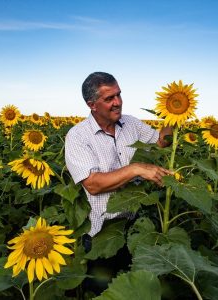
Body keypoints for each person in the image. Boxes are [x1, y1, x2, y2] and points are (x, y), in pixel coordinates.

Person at [65, 71, 173, 238]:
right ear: (92, 105)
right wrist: (135, 169)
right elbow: (93, 184)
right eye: (109, 99)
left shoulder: (131, 124)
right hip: (102, 233)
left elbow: (160, 142)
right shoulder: (78, 136)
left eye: (119, 95)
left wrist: (173, 112)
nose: (118, 102)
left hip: (137, 227)